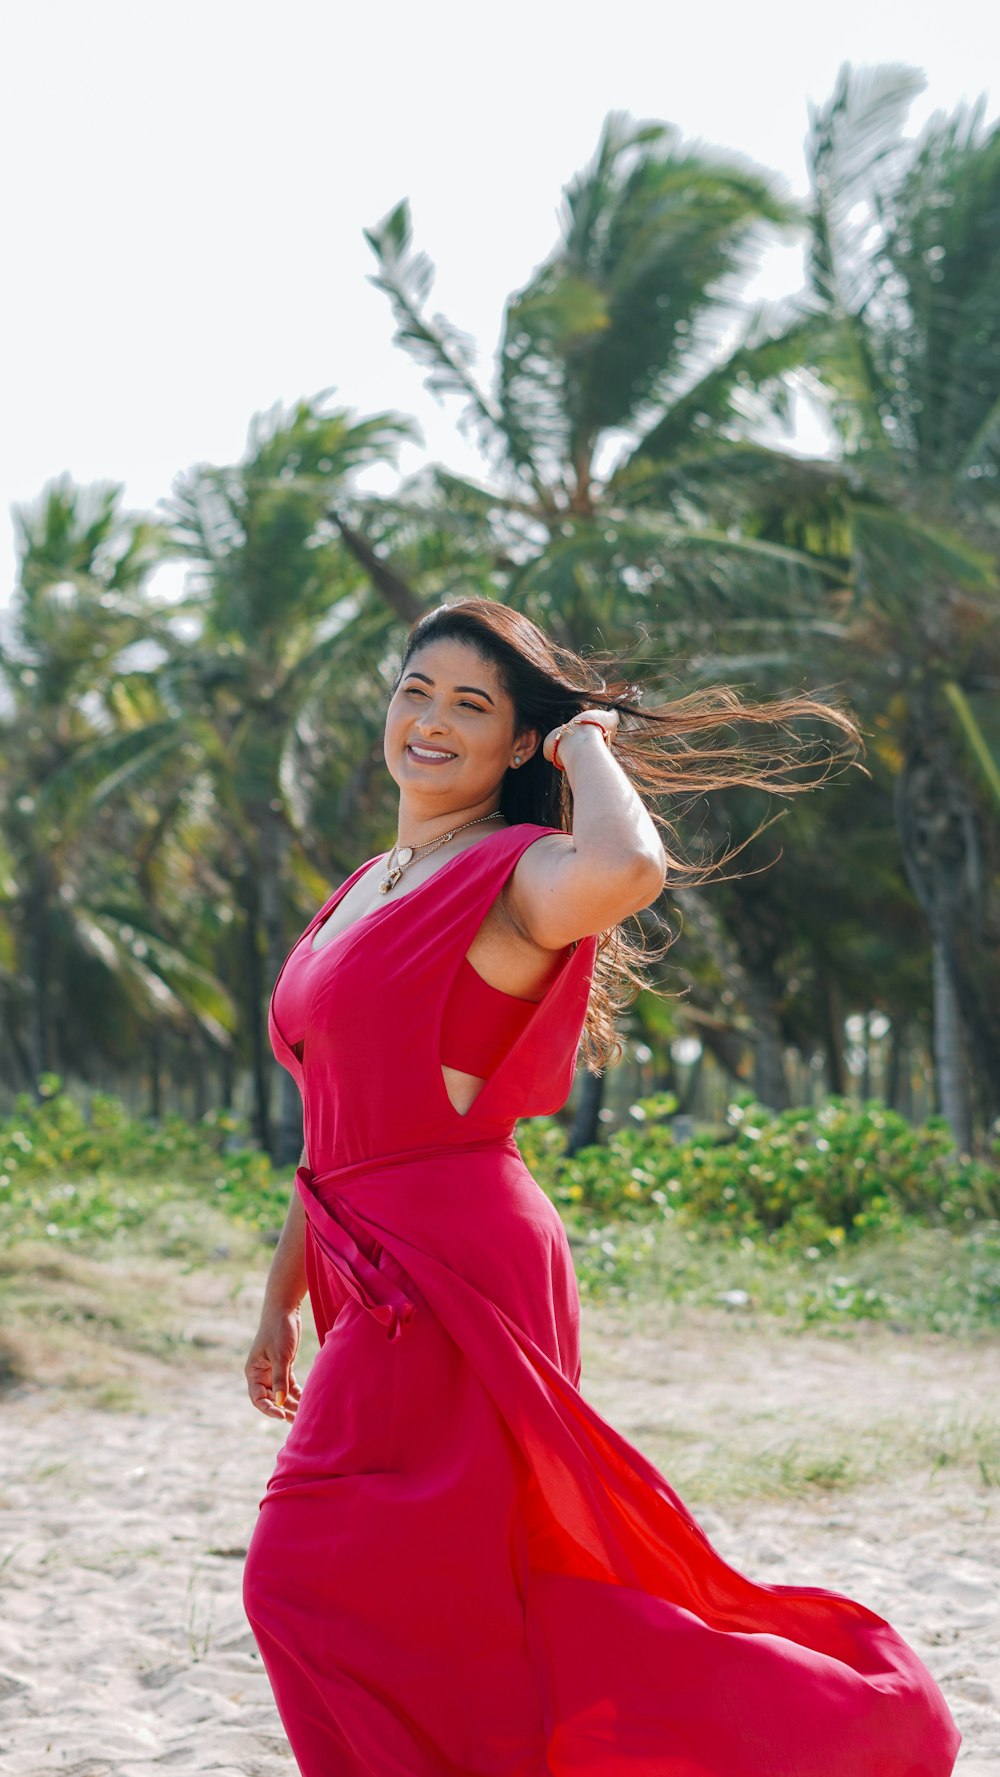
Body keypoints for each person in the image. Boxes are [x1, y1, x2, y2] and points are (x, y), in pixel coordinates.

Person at [242, 598, 960, 1776]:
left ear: (516, 745)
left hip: (454, 1259)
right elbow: (332, 1125)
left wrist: (584, 738)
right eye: (414, 690)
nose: (430, 720)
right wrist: (279, 1295)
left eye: (472, 706)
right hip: (358, 1253)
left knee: (298, 1574)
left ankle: (830, 1723)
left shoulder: (515, 872)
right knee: (445, 1590)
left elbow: (629, 864)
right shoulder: (362, 884)